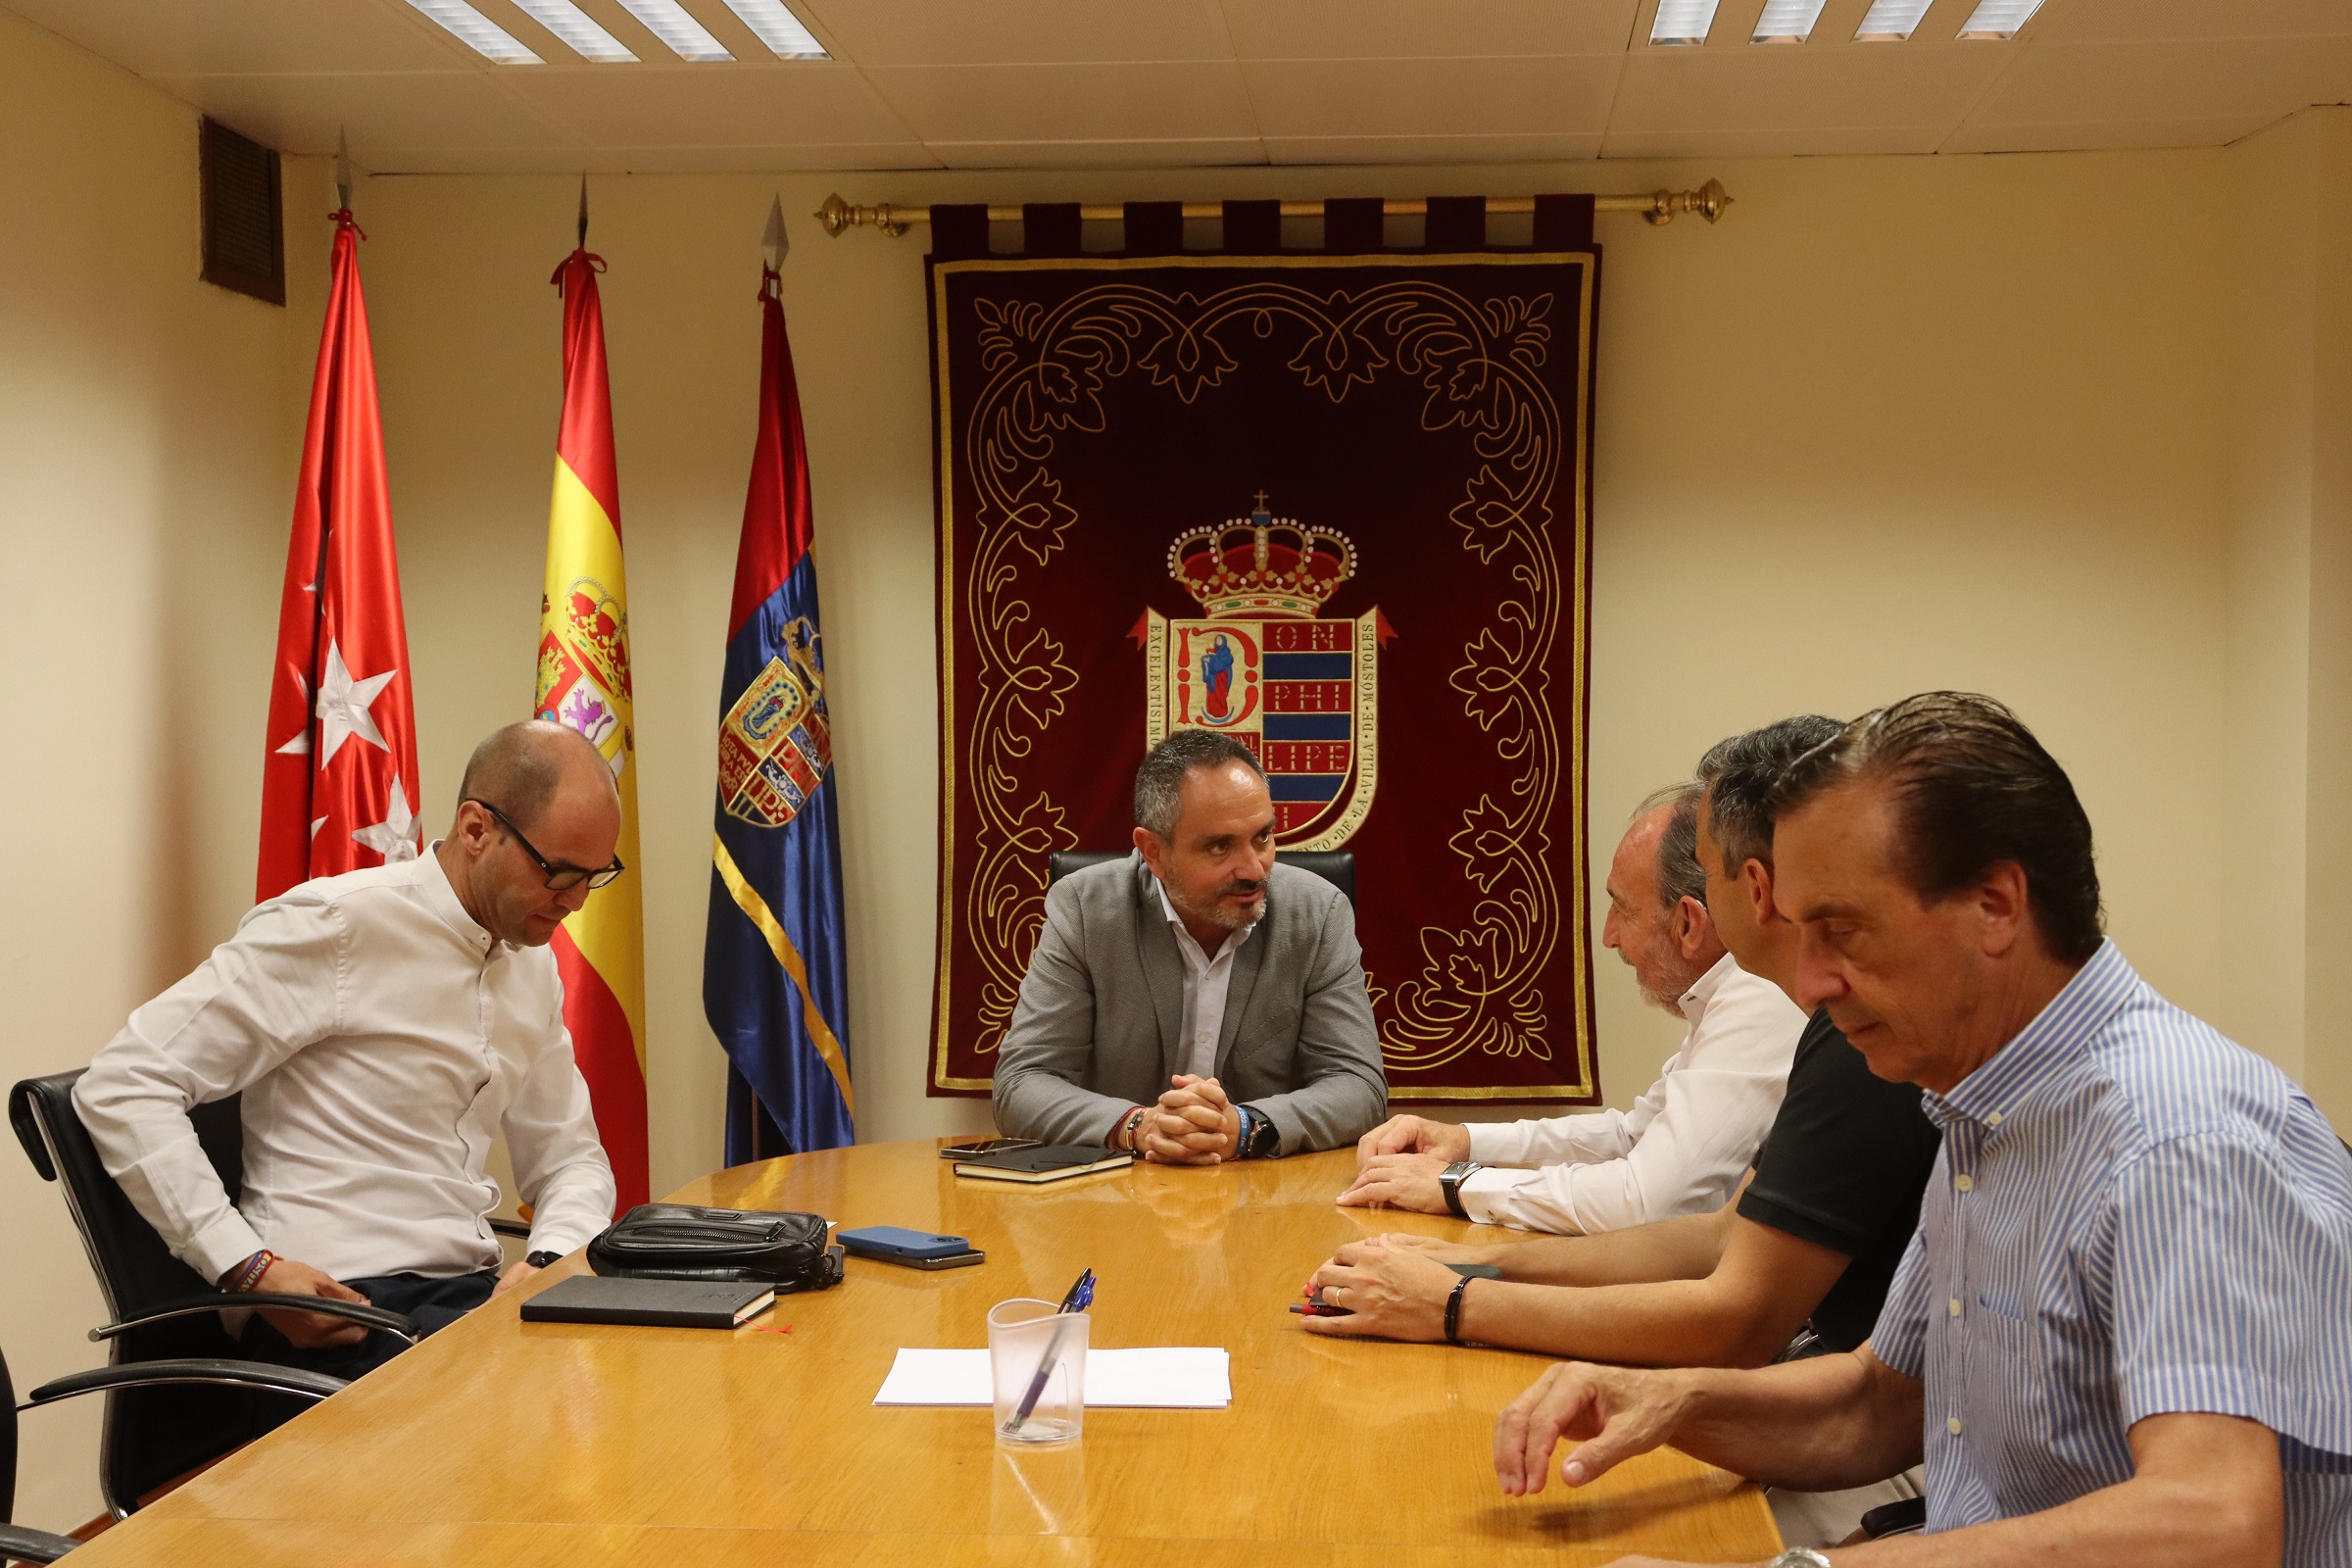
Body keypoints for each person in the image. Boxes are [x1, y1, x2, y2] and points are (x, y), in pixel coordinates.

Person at [1491, 694, 2352, 1565]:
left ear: (1995, 905)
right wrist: (1667, 1402)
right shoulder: (1980, 1105)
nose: (1814, 981)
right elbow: (1880, 1405)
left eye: (1843, 930)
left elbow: (2214, 1525)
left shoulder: (2177, 1135)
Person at [1304, 716, 1941, 1543]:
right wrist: (1483, 1266)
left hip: (1885, 1474)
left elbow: (1731, 1307)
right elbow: (1722, 1237)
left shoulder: (1862, 1025)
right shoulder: (1840, 1021)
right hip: (1848, 1427)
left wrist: (1464, 1301)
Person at [75, 720, 620, 1379]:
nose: (575, 902)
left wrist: (547, 1259)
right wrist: (247, 1268)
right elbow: (123, 1083)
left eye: (595, 876)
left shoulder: (530, 965)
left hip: (464, 1304)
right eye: (559, 872)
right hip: (342, 1317)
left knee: (646, 1389)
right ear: (476, 829)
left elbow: (572, 1160)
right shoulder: (336, 925)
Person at [1340, 782, 1803, 1233]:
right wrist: (1463, 1141)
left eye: (1622, 910)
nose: (1608, 936)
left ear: (1688, 922)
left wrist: (1457, 1186)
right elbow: (1632, 1136)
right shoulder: (1728, 989)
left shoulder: (1759, 994)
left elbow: (1646, 1201)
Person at [992, 728, 1386, 1161]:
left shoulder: (1317, 913)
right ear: (1154, 852)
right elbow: (1021, 1083)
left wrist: (1244, 1125)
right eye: (1220, 846)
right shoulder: (1087, 911)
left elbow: (1359, 1085)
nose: (1255, 869)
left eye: (1263, 837)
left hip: (1263, 1194)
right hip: (1118, 1194)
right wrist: (1139, 1126)